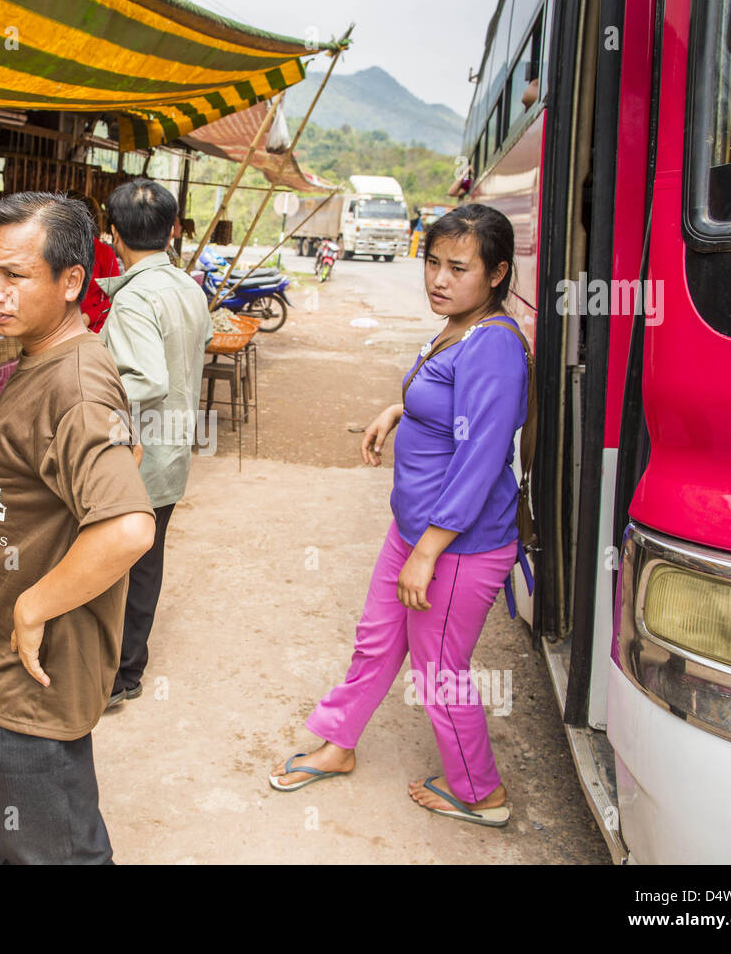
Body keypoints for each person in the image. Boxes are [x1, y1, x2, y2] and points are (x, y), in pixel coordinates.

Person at [268, 203, 532, 828]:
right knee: (377, 641)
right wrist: (401, 410)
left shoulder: (494, 345)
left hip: (456, 544)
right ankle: (338, 744)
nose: (439, 279)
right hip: (416, 529)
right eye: (433, 262)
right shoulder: (458, 328)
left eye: (458, 268)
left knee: (439, 667)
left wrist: (427, 551)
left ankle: (478, 791)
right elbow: (447, 401)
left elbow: (481, 455)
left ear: (496, 274)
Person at [0, 190, 156, 864]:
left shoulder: (73, 385)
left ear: (72, 281)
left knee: (51, 850)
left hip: (38, 677)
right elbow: (127, 454)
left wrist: (33, 606)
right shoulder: (52, 358)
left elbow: (130, 526)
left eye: (14, 275)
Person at [99, 179, 213, 707]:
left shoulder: (134, 300)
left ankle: (114, 672)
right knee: (146, 559)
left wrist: (87, 390)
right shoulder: (189, 288)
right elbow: (199, 346)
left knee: (110, 561)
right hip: (172, 448)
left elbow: (147, 380)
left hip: (135, 452)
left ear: (114, 233)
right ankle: (128, 669)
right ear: (172, 231)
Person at [66, 191, 120, 333]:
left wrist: (88, 317)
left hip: (90, 331)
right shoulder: (55, 250)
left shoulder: (103, 252)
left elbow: (114, 298)